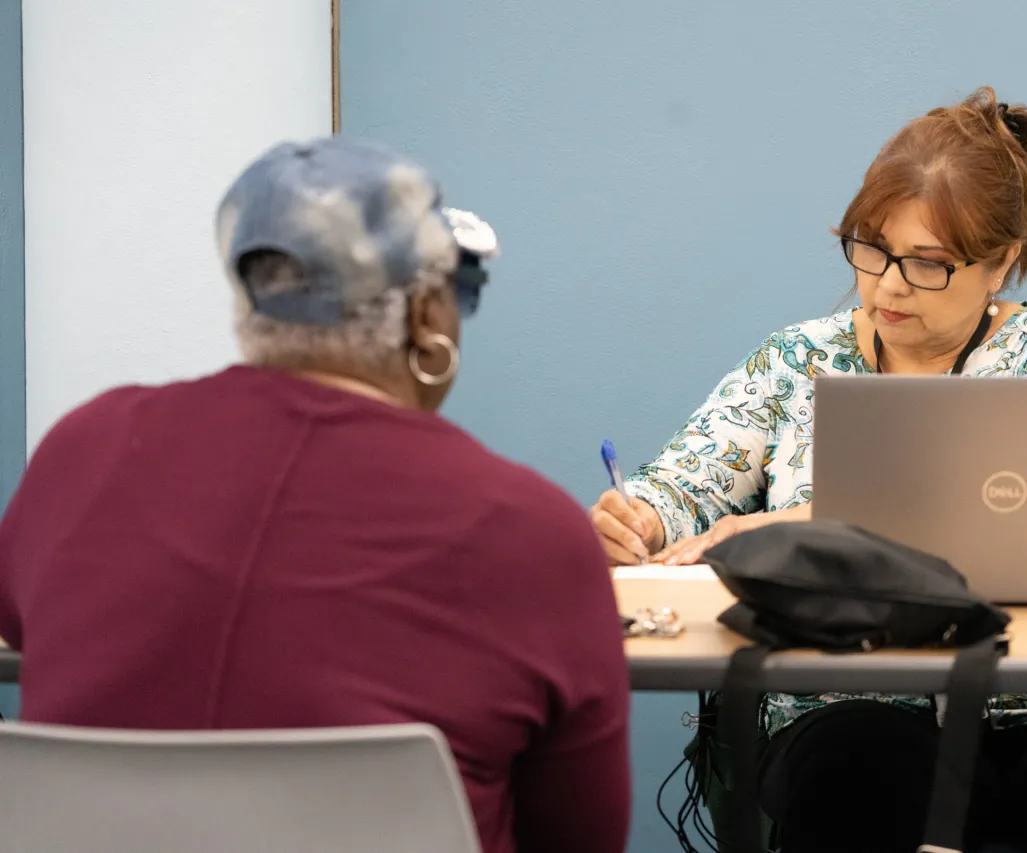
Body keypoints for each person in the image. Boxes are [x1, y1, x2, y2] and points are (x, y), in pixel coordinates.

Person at [590, 88, 1027, 851]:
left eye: (928, 264)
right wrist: (641, 514)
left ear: (1000, 263)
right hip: (848, 699)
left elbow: (996, 518)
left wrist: (785, 524)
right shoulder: (796, 361)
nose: (888, 283)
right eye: (871, 248)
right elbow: (688, 483)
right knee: (859, 781)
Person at [0, 138, 630, 853]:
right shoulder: (530, 527)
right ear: (426, 314)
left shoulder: (83, 448)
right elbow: (583, 836)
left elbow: (30, 632)